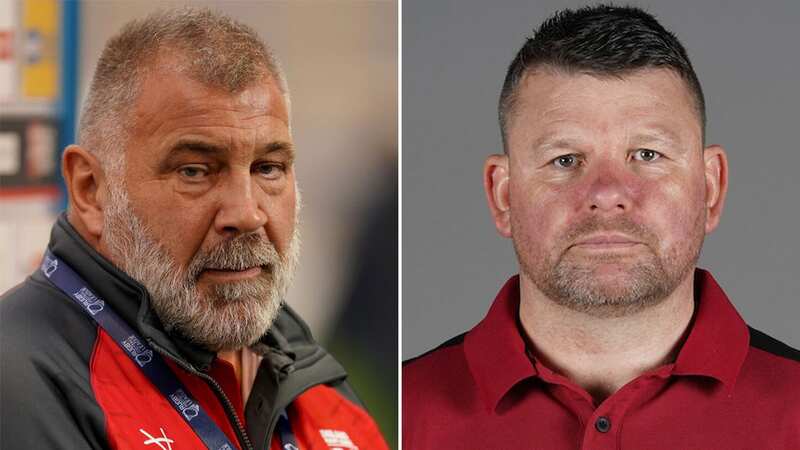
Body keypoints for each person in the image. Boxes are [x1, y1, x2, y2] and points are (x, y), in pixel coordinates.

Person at [403, 5, 799, 449]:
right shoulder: (396, 416)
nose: (607, 192)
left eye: (647, 154)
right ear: (502, 196)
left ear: (711, 186)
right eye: (565, 159)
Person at [0, 8, 388, 450]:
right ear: (91, 190)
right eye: (195, 171)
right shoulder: (19, 382)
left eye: (268, 168)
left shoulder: (322, 396)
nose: (246, 214)